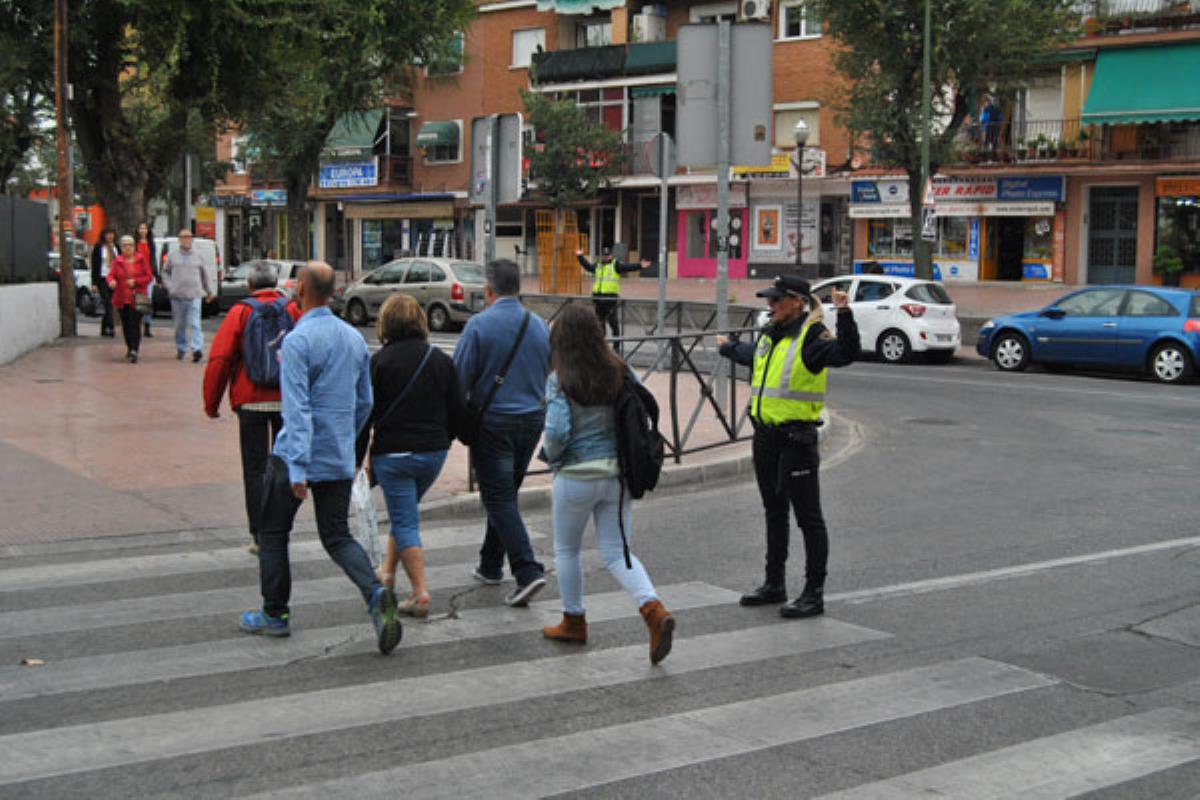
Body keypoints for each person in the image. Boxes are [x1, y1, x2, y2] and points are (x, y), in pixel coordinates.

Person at [238, 261, 401, 654]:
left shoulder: (297, 341)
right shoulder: (353, 339)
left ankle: (274, 615)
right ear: (332, 293)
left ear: (302, 292)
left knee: (273, 533)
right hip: (337, 454)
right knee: (337, 535)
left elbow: (297, 409)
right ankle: (375, 593)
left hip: (297, 454)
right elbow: (365, 402)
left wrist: (297, 467)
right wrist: (344, 437)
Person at [717, 275, 859, 619]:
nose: (770, 305)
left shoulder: (811, 335)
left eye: (777, 300)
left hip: (796, 438)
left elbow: (845, 353)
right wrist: (728, 348)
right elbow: (756, 357)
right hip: (765, 436)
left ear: (797, 301)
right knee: (774, 511)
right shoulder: (770, 333)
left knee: (808, 518)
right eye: (769, 299)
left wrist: (844, 313)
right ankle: (774, 583)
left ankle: (814, 593)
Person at [540, 304, 675, 665]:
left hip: (576, 476)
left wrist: (552, 458)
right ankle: (653, 609)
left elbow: (556, 432)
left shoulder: (561, 378)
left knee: (567, 551)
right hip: (617, 478)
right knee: (618, 552)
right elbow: (640, 408)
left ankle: (574, 621)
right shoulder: (621, 370)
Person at [356, 294, 466, 619]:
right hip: (433, 454)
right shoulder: (440, 360)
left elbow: (365, 412)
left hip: (394, 454)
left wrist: (360, 455)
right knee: (404, 512)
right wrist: (444, 440)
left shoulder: (379, 362)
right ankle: (387, 573)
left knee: (404, 518)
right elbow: (458, 410)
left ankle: (419, 593)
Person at [453, 258, 551, 607]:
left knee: (497, 497)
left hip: (494, 422)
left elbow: (458, 379)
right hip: (532, 419)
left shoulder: (478, 326)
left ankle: (527, 570)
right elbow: (548, 371)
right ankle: (490, 564)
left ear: (489, 289)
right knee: (505, 492)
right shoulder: (540, 325)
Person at [203, 262, 302, 555]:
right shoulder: (293, 310)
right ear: (277, 282)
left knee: (255, 469)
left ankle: (260, 534)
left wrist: (212, 403)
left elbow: (220, 358)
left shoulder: (241, 312)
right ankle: (281, 527)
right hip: (287, 399)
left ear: (249, 284)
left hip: (250, 399)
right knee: (284, 465)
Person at [575, 246, 652, 340]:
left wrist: (639, 265)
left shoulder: (615, 265)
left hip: (610, 299)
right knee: (599, 324)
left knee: (613, 323)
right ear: (601, 256)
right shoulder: (598, 265)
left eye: (607, 255)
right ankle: (602, 345)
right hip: (598, 299)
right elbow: (588, 267)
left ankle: (617, 346)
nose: (606, 257)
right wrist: (580, 256)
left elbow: (627, 267)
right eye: (604, 255)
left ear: (611, 255)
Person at [162, 229, 214, 362]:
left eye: (189, 237)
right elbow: (165, 272)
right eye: (183, 237)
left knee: (195, 323)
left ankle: (197, 349)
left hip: (194, 294)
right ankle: (181, 347)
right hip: (177, 295)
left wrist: (209, 291)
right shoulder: (172, 256)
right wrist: (170, 286)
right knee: (180, 324)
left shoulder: (199, 256)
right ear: (179, 240)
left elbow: (205, 275)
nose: (186, 240)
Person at [106, 235, 154, 363]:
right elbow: (111, 275)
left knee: (135, 324)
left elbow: (149, 277)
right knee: (126, 324)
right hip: (122, 298)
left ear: (134, 247)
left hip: (138, 297)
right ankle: (129, 346)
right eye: (124, 245)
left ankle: (135, 349)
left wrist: (136, 282)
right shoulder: (118, 261)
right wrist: (111, 282)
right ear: (121, 248)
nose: (127, 248)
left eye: (130, 245)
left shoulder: (141, 259)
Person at [90, 228, 118, 337]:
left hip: (115, 279)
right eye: (108, 234)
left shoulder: (116, 248)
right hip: (103, 278)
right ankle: (110, 327)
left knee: (112, 303)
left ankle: (104, 327)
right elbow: (94, 265)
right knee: (107, 302)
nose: (110, 237)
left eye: (112, 234)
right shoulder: (99, 247)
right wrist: (94, 283)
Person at [135, 222, 157, 338]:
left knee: (148, 301)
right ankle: (137, 324)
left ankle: (147, 326)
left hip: (148, 275)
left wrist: (156, 274)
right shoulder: (135, 243)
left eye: (145, 228)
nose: (143, 231)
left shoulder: (151, 243)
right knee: (138, 300)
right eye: (141, 228)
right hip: (137, 275)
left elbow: (153, 259)